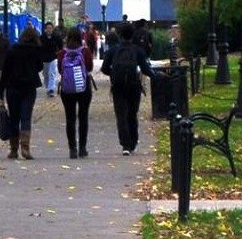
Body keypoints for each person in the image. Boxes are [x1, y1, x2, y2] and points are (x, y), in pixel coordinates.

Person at [100, 22, 156, 155]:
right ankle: (133, 141)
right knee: (132, 114)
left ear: (119, 34)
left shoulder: (113, 51)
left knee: (121, 115)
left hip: (118, 86)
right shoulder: (137, 50)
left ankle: (125, 144)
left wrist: (113, 74)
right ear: (132, 35)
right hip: (134, 86)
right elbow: (145, 69)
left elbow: (104, 68)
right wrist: (156, 75)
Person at [0, 25, 47, 160]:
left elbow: (5, 71)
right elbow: (40, 66)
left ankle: (13, 149)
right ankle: (25, 148)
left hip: (12, 87)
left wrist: (0, 92)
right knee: (26, 117)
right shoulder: (35, 51)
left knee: (14, 117)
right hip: (29, 87)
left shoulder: (12, 50)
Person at [56, 26, 94, 158]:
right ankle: (82, 148)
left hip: (67, 89)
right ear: (80, 36)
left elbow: (60, 70)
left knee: (70, 118)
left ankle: (72, 148)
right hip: (83, 87)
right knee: (83, 117)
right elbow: (89, 67)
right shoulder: (85, 51)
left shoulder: (62, 53)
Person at [40, 20, 63, 97]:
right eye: (48, 28)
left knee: (52, 73)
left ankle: (51, 89)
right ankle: (48, 87)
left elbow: (61, 46)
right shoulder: (41, 38)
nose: (49, 30)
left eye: (50, 28)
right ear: (45, 29)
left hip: (53, 58)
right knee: (46, 74)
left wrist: (58, 53)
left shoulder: (56, 37)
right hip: (44, 59)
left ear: (52, 29)